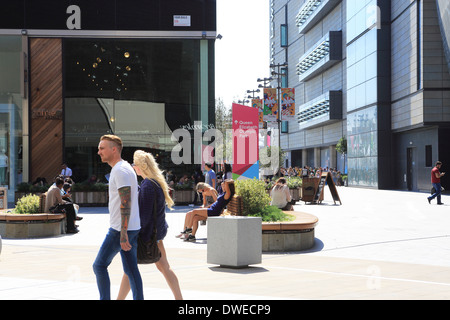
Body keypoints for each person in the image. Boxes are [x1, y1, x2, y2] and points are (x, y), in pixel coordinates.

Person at [116, 150, 182, 300]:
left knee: (130, 269)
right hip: (155, 234)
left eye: (134, 164)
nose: (133, 167)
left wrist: (135, 235)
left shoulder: (147, 185)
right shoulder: (154, 183)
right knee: (164, 267)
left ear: (140, 167)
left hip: (147, 236)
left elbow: (144, 217)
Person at [93, 135, 143, 300]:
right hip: (131, 227)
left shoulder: (120, 171)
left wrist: (122, 233)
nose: (98, 151)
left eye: (102, 148)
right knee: (131, 270)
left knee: (99, 265)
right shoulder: (125, 167)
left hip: (120, 230)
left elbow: (125, 202)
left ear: (114, 149)